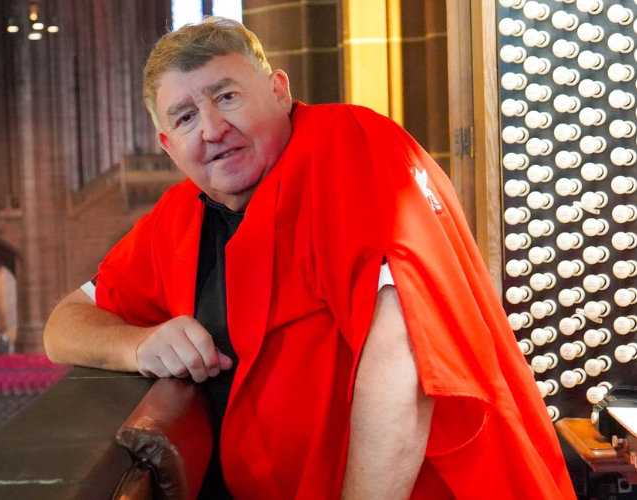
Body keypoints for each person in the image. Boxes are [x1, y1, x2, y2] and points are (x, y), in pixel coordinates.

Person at [44, 17, 575, 499]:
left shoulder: (348, 144)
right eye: (185, 117)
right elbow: (63, 326)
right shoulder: (179, 215)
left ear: (278, 90)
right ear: (166, 144)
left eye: (226, 97)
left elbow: (404, 354)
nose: (210, 129)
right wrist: (138, 343)